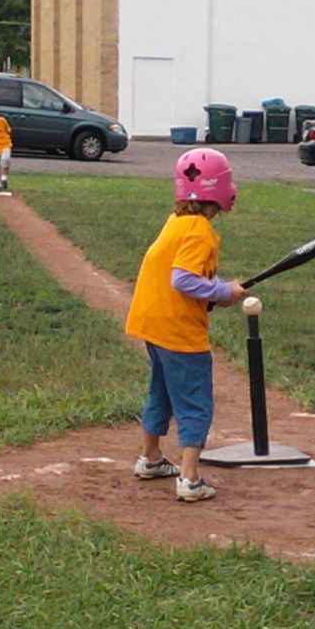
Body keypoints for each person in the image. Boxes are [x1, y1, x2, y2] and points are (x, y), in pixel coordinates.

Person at [125, 148, 250, 502]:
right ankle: (190, 478)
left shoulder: (177, 221)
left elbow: (183, 276)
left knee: (162, 391)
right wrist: (223, 291)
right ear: (218, 189)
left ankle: (150, 458)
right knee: (196, 402)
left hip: (153, 323)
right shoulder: (200, 230)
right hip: (178, 330)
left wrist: (215, 293)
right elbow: (182, 279)